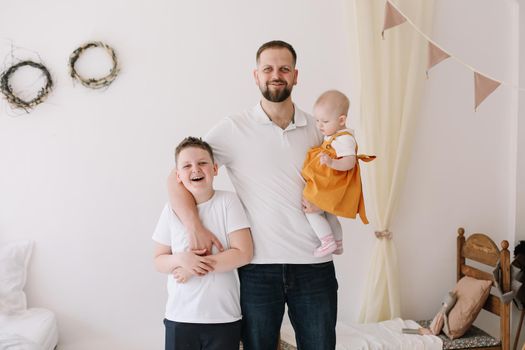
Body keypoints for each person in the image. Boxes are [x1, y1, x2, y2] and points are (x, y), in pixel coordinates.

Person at [168, 40, 340, 350]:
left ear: (296, 75)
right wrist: (194, 226)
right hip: (259, 268)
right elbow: (177, 177)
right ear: (256, 76)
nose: (277, 75)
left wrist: (325, 199)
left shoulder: (318, 129)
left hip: (315, 265)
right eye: (268, 69)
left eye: (284, 69)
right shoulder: (233, 128)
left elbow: (346, 181)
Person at [154, 137, 253, 350]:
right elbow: (159, 260)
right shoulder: (170, 210)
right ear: (178, 175)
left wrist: (193, 268)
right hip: (179, 317)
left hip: (223, 317)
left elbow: (243, 253)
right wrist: (181, 259)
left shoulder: (228, 201)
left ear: (215, 169)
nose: (195, 169)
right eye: (187, 166)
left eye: (202, 163)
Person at [301, 90, 375, 257]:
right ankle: (338, 243)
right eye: (317, 120)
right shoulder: (333, 135)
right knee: (330, 214)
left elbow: (350, 162)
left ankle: (327, 241)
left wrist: (331, 162)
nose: (320, 125)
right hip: (332, 183)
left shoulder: (345, 139)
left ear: (341, 120)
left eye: (325, 121)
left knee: (311, 211)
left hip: (334, 184)